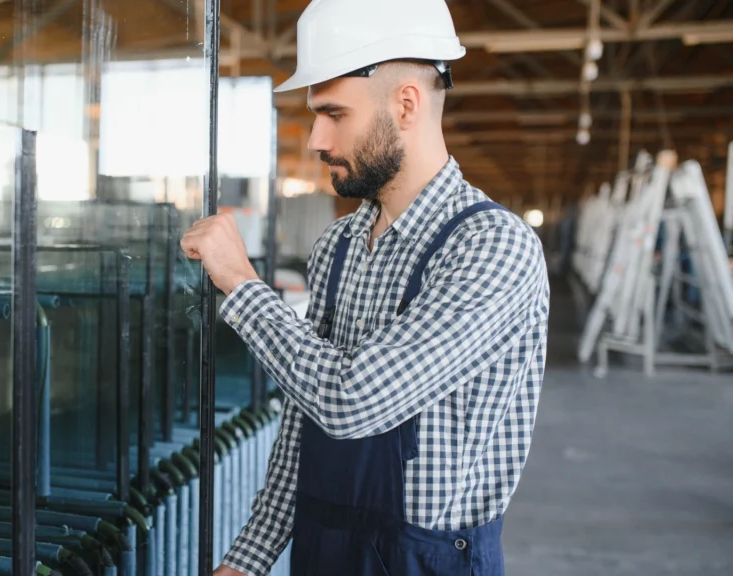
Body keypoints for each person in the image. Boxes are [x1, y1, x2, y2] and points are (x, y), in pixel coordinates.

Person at [180, 0, 550, 574]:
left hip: (422, 561)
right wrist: (246, 560)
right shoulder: (339, 245)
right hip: (322, 545)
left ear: (406, 104)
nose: (316, 140)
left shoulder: (492, 248)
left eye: (335, 114)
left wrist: (240, 282)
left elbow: (353, 401)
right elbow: (306, 418)